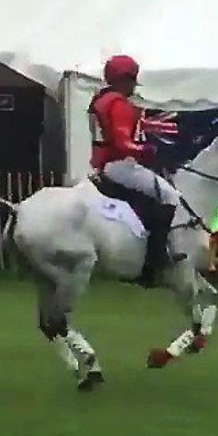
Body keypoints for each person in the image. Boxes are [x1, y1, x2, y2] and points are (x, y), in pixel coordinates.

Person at [88, 54, 183, 287]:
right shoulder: (118, 104)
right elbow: (122, 143)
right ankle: (155, 260)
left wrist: (158, 129)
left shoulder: (100, 100)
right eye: (132, 80)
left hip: (103, 164)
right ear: (124, 79)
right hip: (120, 165)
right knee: (170, 196)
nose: (133, 86)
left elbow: (130, 129)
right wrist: (147, 150)